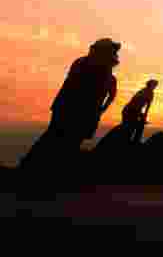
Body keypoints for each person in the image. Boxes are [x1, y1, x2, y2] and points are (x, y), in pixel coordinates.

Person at [20, 38, 120, 172]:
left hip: (80, 111)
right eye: (112, 51)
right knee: (55, 140)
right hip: (73, 110)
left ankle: (40, 171)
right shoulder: (89, 65)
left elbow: (108, 94)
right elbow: (82, 89)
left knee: (62, 141)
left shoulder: (101, 69)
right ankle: (32, 170)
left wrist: (100, 109)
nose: (115, 54)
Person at [121, 79, 158, 143]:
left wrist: (142, 115)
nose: (155, 86)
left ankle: (131, 140)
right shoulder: (148, 92)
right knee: (131, 128)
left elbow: (142, 105)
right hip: (130, 110)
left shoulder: (143, 91)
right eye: (154, 85)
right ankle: (132, 141)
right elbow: (144, 105)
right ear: (150, 85)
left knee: (130, 128)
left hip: (130, 110)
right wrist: (143, 115)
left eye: (155, 85)